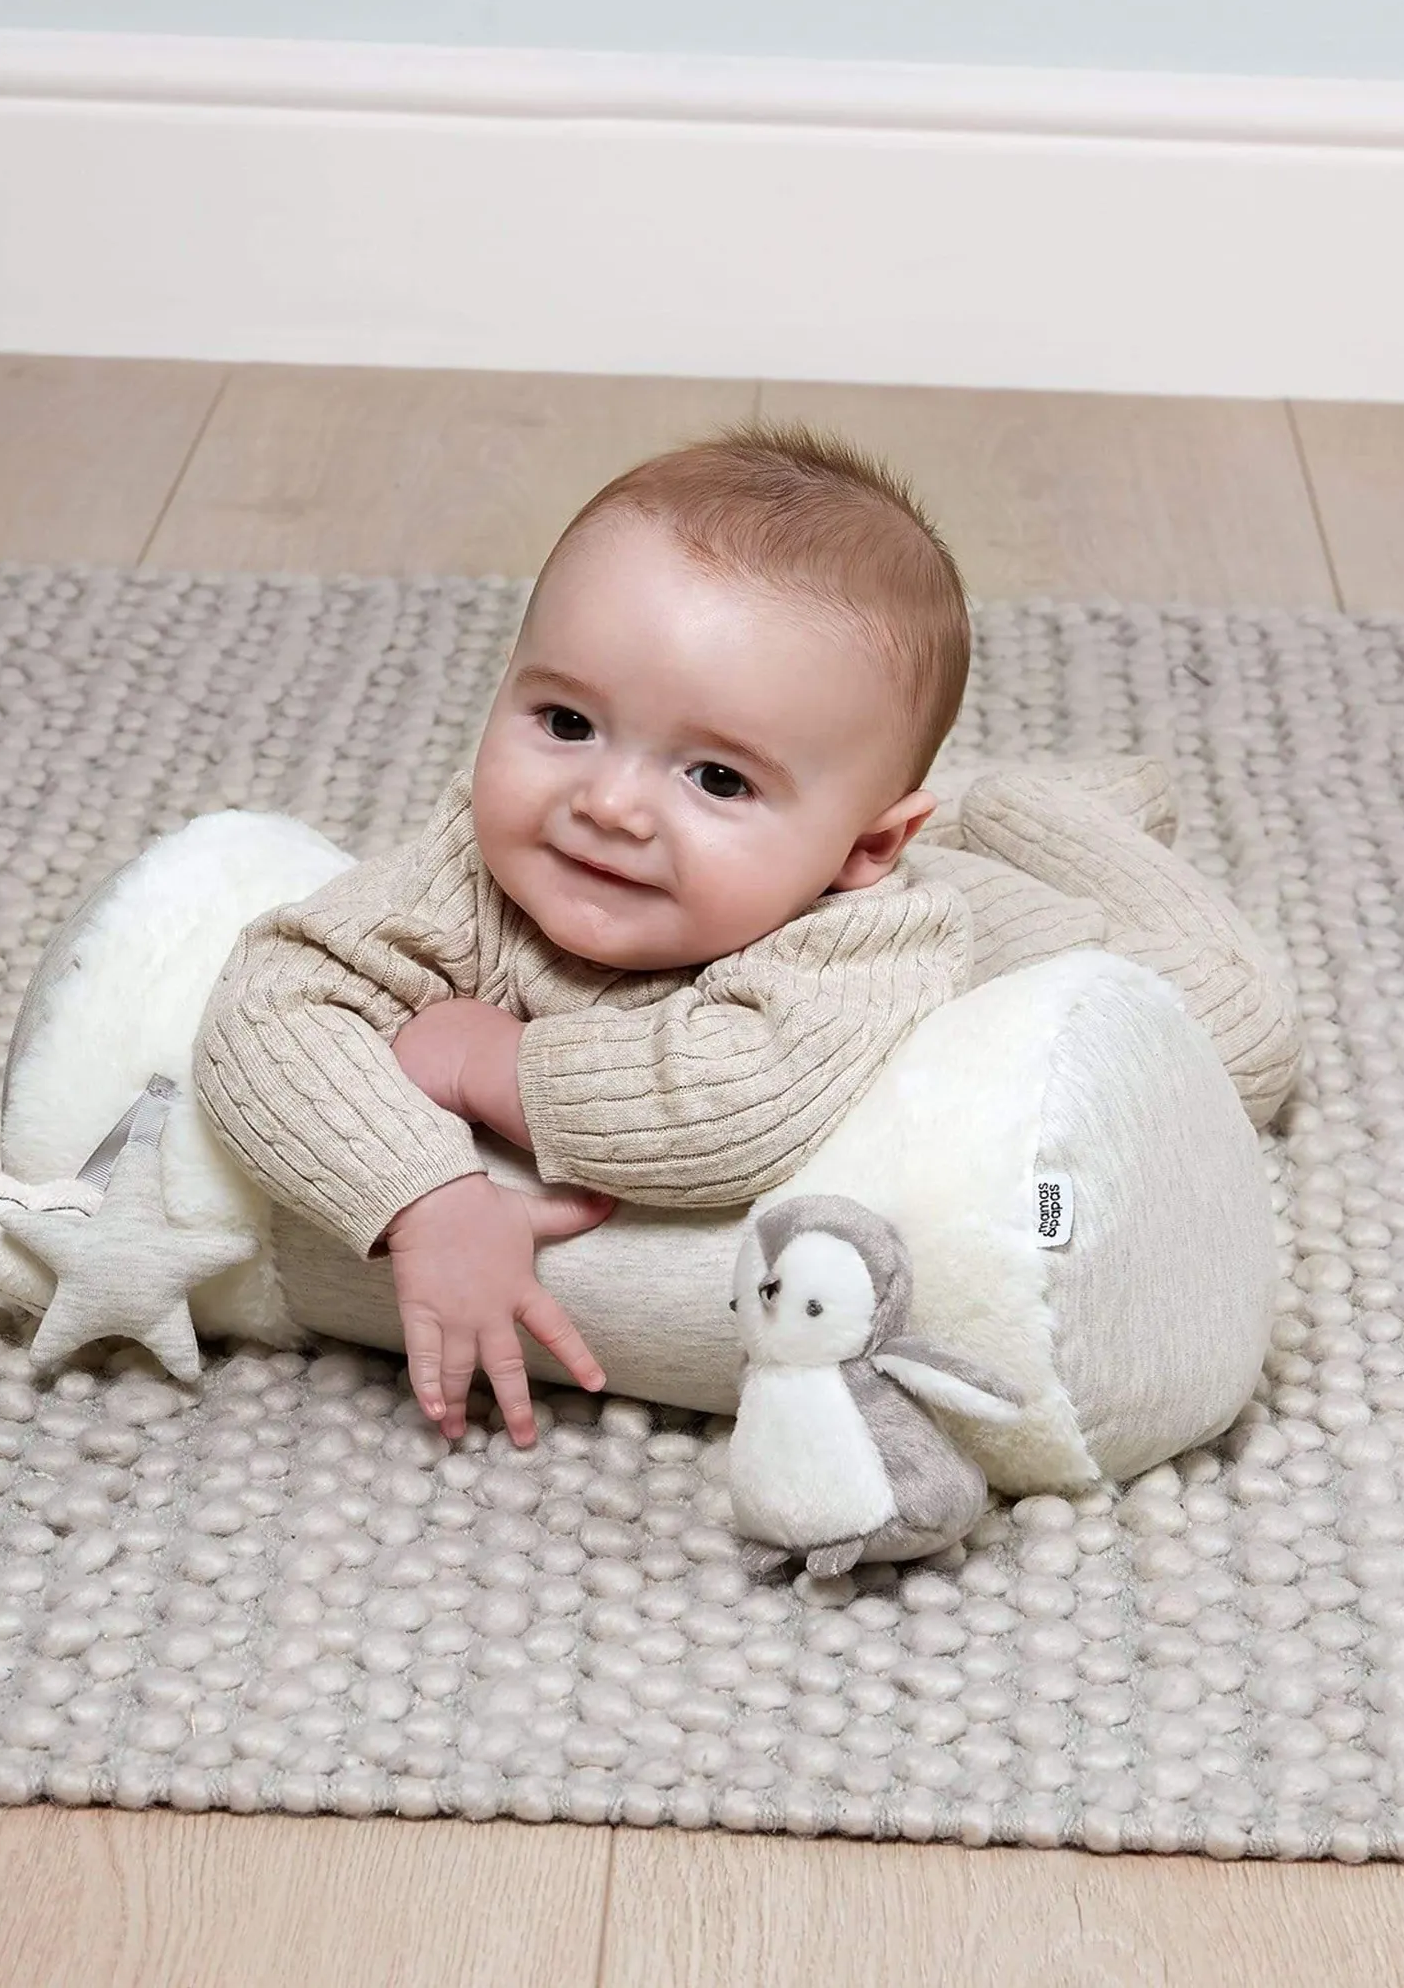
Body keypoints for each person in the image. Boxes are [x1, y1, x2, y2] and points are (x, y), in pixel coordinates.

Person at [194, 425, 1296, 1448]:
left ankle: (1044, 818)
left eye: (717, 778)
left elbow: (728, 1108)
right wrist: (422, 1195)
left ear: (868, 850)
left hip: (1021, 934)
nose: (608, 804)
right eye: (567, 722)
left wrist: (492, 1061)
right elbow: (268, 1001)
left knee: (1242, 1035)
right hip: (848, 832)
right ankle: (930, 803)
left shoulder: (868, 938)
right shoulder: (476, 857)